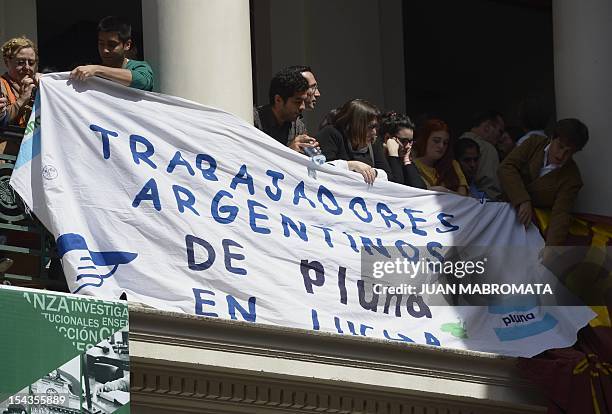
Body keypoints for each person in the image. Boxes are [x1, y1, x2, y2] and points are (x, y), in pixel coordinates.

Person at [498, 118, 589, 245]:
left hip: (533, 227)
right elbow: (506, 167)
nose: (561, 155)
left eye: (568, 152)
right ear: (552, 138)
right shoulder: (534, 143)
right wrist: (523, 199)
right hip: (505, 211)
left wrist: (551, 249)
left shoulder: (572, 178)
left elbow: (560, 215)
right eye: (560, 146)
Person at [316, 99, 394, 185]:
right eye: (370, 127)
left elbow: (388, 177)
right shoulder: (331, 133)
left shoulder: (373, 142)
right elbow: (320, 168)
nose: (374, 132)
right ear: (355, 124)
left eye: (375, 127)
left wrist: (373, 172)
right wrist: (351, 165)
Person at [70, 16, 154, 91]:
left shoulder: (139, 67)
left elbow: (142, 81)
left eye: (112, 45)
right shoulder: (87, 72)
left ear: (127, 45)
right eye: (101, 44)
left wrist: (97, 69)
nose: (105, 50)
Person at [253, 68, 317, 154]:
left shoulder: (297, 126)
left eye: (303, 101)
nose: (302, 107)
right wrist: (289, 151)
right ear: (278, 100)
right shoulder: (254, 121)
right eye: (297, 101)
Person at [412, 118, 468, 195]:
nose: (441, 146)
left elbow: (464, 196)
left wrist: (444, 192)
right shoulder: (413, 166)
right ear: (425, 140)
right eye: (436, 141)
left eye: (445, 143)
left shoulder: (453, 164)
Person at [459, 110, 505, 200]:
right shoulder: (488, 149)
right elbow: (491, 190)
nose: (500, 139)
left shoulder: (455, 142)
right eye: (500, 132)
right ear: (487, 127)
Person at [379, 111, 426, 189]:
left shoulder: (404, 160)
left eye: (410, 141)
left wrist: (407, 160)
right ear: (387, 138)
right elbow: (397, 187)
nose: (408, 146)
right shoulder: (379, 159)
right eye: (404, 141)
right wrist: (393, 154)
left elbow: (420, 188)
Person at [0, 37, 39, 128]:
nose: (27, 67)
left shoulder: (40, 85)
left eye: (31, 62)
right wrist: (22, 100)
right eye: (21, 62)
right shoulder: (1, 85)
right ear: (7, 62)